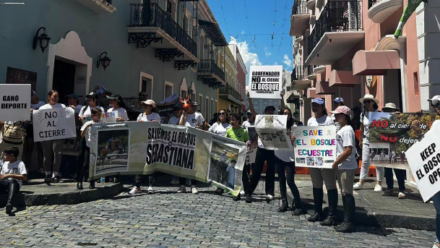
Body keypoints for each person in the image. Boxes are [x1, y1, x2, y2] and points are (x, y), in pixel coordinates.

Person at [305, 98, 338, 225]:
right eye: (313, 105)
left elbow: (330, 136)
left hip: (326, 157)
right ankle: (317, 211)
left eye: (317, 105)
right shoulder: (310, 120)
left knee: (330, 186)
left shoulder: (329, 120)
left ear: (322, 107)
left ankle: (332, 215)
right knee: (316, 185)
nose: (314, 108)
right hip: (313, 157)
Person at [246, 91, 281, 202]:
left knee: (271, 171)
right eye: (268, 110)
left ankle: (269, 192)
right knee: (256, 171)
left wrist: (282, 97)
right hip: (261, 149)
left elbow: (283, 112)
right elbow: (252, 111)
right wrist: (249, 98)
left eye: (272, 111)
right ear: (265, 112)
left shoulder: (277, 120)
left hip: (272, 149)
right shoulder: (260, 119)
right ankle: (249, 191)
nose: (270, 112)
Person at [331, 105, 357, 233]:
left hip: (346, 165)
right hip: (343, 165)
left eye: (338, 115)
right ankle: (346, 220)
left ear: (345, 116)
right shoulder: (343, 129)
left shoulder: (347, 130)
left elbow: (348, 150)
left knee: (347, 193)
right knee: (344, 193)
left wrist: (336, 162)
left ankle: (349, 222)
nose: (335, 117)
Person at [275, 107, 305, 215]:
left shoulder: (295, 127)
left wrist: (293, 139)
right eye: (283, 113)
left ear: (290, 115)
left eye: (287, 113)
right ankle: (284, 203)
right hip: (278, 155)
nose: (286, 115)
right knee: (281, 180)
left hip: (290, 158)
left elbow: (300, 143)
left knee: (290, 181)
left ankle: (299, 205)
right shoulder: (277, 126)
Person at [353, 94, 384, 191]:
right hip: (366, 140)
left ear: (373, 103)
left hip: (377, 140)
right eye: (365, 102)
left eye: (368, 101)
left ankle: (379, 183)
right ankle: (361, 181)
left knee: (378, 162)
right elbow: (361, 128)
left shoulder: (379, 114)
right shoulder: (363, 115)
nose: (366, 104)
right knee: (365, 161)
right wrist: (361, 140)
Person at [130, 99, 160, 195]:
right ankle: (137, 185)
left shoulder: (156, 116)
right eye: (144, 105)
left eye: (147, 105)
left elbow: (160, 128)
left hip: (151, 142)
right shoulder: (140, 116)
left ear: (151, 107)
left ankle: (150, 185)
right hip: (141, 142)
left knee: (150, 163)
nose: (145, 107)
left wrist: (156, 123)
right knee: (138, 163)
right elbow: (136, 128)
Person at [39, 90, 66, 185]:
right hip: (46, 134)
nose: (56, 98)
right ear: (49, 96)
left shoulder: (62, 107)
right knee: (47, 154)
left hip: (58, 133)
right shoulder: (43, 108)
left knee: (57, 153)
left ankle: (55, 174)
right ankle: (47, 174)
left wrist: (70, 109)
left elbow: (66, 117)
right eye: (54, 96)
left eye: (57, 96)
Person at [380, 103, 406, 199]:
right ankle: (390, 188)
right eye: (386, 110)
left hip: (397, 146)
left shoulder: (400, 119)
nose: (388, 112)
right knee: (387, 170)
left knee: (398, 169)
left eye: (390, 110)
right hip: (386, 146)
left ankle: (402, 189)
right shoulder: (383, 120)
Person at [178, 101, 204, 194]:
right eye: (192, 106)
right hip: (184, 142)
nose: (194, 108)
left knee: (194, 165)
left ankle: (193, 185)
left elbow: (202, 125)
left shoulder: (198, 115)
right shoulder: (184, 115)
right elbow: (180, 126)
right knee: (183, 164)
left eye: (195, 106)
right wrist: (184, 115)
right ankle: (182, 185)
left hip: (195, 142)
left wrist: (200, 128)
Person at [225, 113, 250, 201]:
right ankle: (236, 193)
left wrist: (247, 142)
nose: (232, 122)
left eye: (234, 120)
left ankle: (247, 193)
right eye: (230, 120)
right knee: (234, 176)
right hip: (232, 157)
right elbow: (225, 141)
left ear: (238, 121)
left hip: (242, 157)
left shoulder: (243, 131)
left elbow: (247, 140)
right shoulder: (228, 131)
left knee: (244, 176)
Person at [77, 108, 102, 190]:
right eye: (97, 115)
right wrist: (87, 127)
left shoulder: (101, 123)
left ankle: (92, 181)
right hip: (89, 146)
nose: (99, 117)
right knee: (86, 163)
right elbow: (82, 135)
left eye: (99, 115)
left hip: (97, 146)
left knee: (94, 164)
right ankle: (80, 180)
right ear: (92, 116)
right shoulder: (88, 123)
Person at [427, 95, 440, 248]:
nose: (437, 108)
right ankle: (438, 240)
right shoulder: (436, 124)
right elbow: (427, 144)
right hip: (437, 172)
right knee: (439, 210)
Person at [0, 147, 27, 215]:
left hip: (14, 185)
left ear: (11, 155)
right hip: (4, 184)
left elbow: (24, 177)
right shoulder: (5, 163)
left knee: (12, 182)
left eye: (6, 154)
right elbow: (2, 175)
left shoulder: (20, 163)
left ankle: (9, 203)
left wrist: (10, 175)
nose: (4, 156)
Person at [23, 91, 44, 173]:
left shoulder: (42, 103)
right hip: (30, 127)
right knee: (29, 148)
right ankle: (27, 167)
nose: (34, 97)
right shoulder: (26, 105)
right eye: (32, 96)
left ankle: (41, 167)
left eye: (35, 95)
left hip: (40, 127)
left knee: (40, 148)